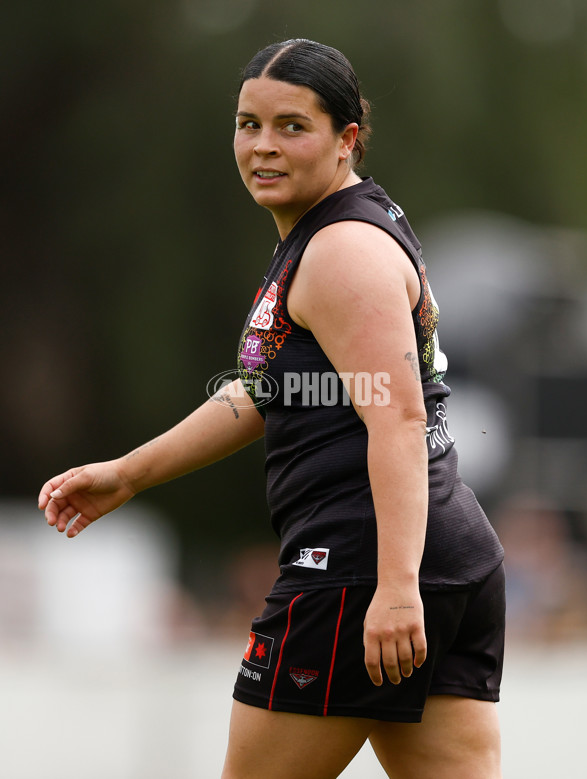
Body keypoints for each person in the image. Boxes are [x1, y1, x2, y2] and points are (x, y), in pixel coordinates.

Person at [39, 39, 505, 779]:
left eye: (292, 126)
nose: (262, 146)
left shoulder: (341, 251)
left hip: (360, 566)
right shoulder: (328, 232)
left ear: (346, 138)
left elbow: (398, 419)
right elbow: (266, 390)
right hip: (439, 556)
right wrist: (129, 474)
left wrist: (393, 587)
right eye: (247, 123)